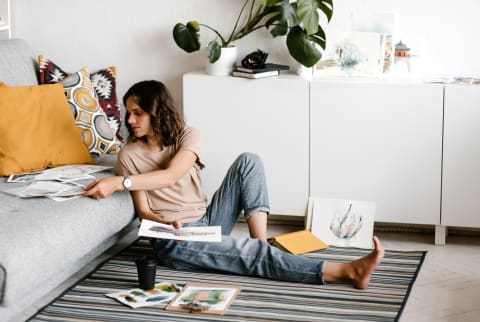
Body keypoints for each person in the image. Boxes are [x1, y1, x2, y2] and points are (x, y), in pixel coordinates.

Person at [83, 80, 384, 289]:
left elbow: (173, 174)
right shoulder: (129, 155)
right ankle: (346, 272)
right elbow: (144, 211)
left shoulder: (188, 135)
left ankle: (260, 241)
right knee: (251, 258)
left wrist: (119, 182)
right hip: (175, 237)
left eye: (138, 112)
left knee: (248, 161)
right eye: (128, 113)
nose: (130, 120)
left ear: (157, 112)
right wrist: (163, 221)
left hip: (208, 220)